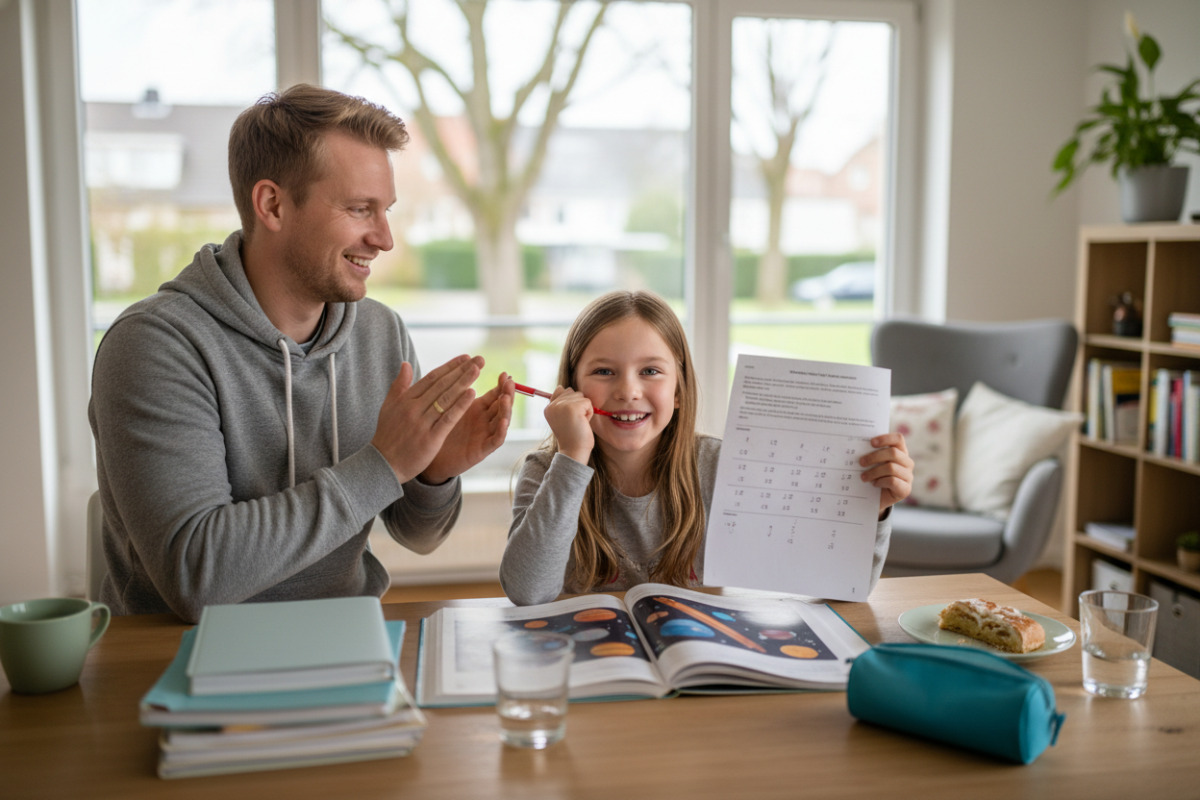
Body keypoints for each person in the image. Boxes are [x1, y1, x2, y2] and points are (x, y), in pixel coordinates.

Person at [89, 84, 515, 622]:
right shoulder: (155, 346)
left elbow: (419, 535)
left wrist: (434, 473)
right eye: (361, 209)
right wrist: (384, 464)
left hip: (347, 637)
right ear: (272, 204)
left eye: (386, 211)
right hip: (184, 658)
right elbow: (196, 577)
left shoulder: (381, 333)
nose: (384, 239)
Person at [499, 290, 912, 606]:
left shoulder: (720, 466)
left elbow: (841, 588)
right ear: (570, 389)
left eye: (650, 371)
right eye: (604, 371)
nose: (627, 390)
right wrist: (572, 457)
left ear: (678, 390)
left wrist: (870, 512)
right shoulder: (547, 470)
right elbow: (527, 592)